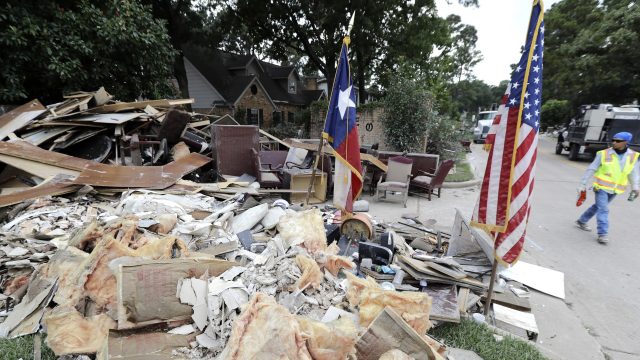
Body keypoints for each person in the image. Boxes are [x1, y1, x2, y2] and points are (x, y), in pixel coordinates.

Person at [575, 132, 640, 244]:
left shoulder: (633, 156)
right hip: (601, 187)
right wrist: (583, 184)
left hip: (616, 189)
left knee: (598, 207)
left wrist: (635, 187)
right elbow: (592, 168)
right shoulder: (604, 153)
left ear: (626, 142)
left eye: (618, 141)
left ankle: (582, 220)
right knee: (603, 209)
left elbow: (634, 173)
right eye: (613, 140)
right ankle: (603, 234)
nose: (614, 142)